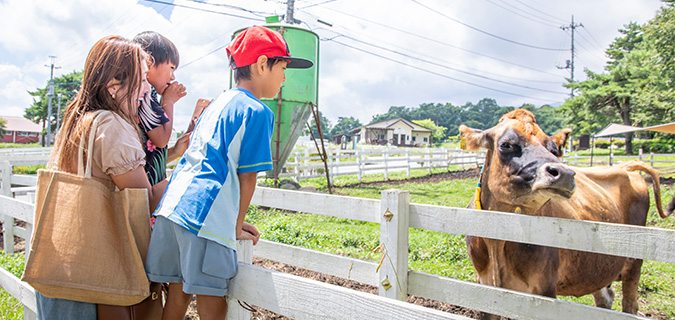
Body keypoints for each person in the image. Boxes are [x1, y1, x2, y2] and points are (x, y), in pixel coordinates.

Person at [144, 25, 313, 320]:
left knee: (177, 295)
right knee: (212, 298)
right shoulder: (258, 112)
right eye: (283, 68)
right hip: (205, 216)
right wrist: (234, 226)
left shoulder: (217, 103)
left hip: (172, 209)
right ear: (263, 65)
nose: (285, 78)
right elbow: (248, 177)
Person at [36, 35, 166, 319]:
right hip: (93, 277)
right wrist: (192, 171)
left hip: (62, 269)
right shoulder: (111, 125)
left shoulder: (80, 117)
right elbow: (144, 201)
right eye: (142, 78)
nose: (147, 88)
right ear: (113, 86)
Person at [132, 31, 210, 187]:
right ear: (149, 63)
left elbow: (152, 157)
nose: (172, 77)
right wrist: (168, 100)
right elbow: (161, 140)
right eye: (171, 68)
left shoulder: (148, 96)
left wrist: (175, 150)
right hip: (145, 193)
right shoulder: (143, 94)